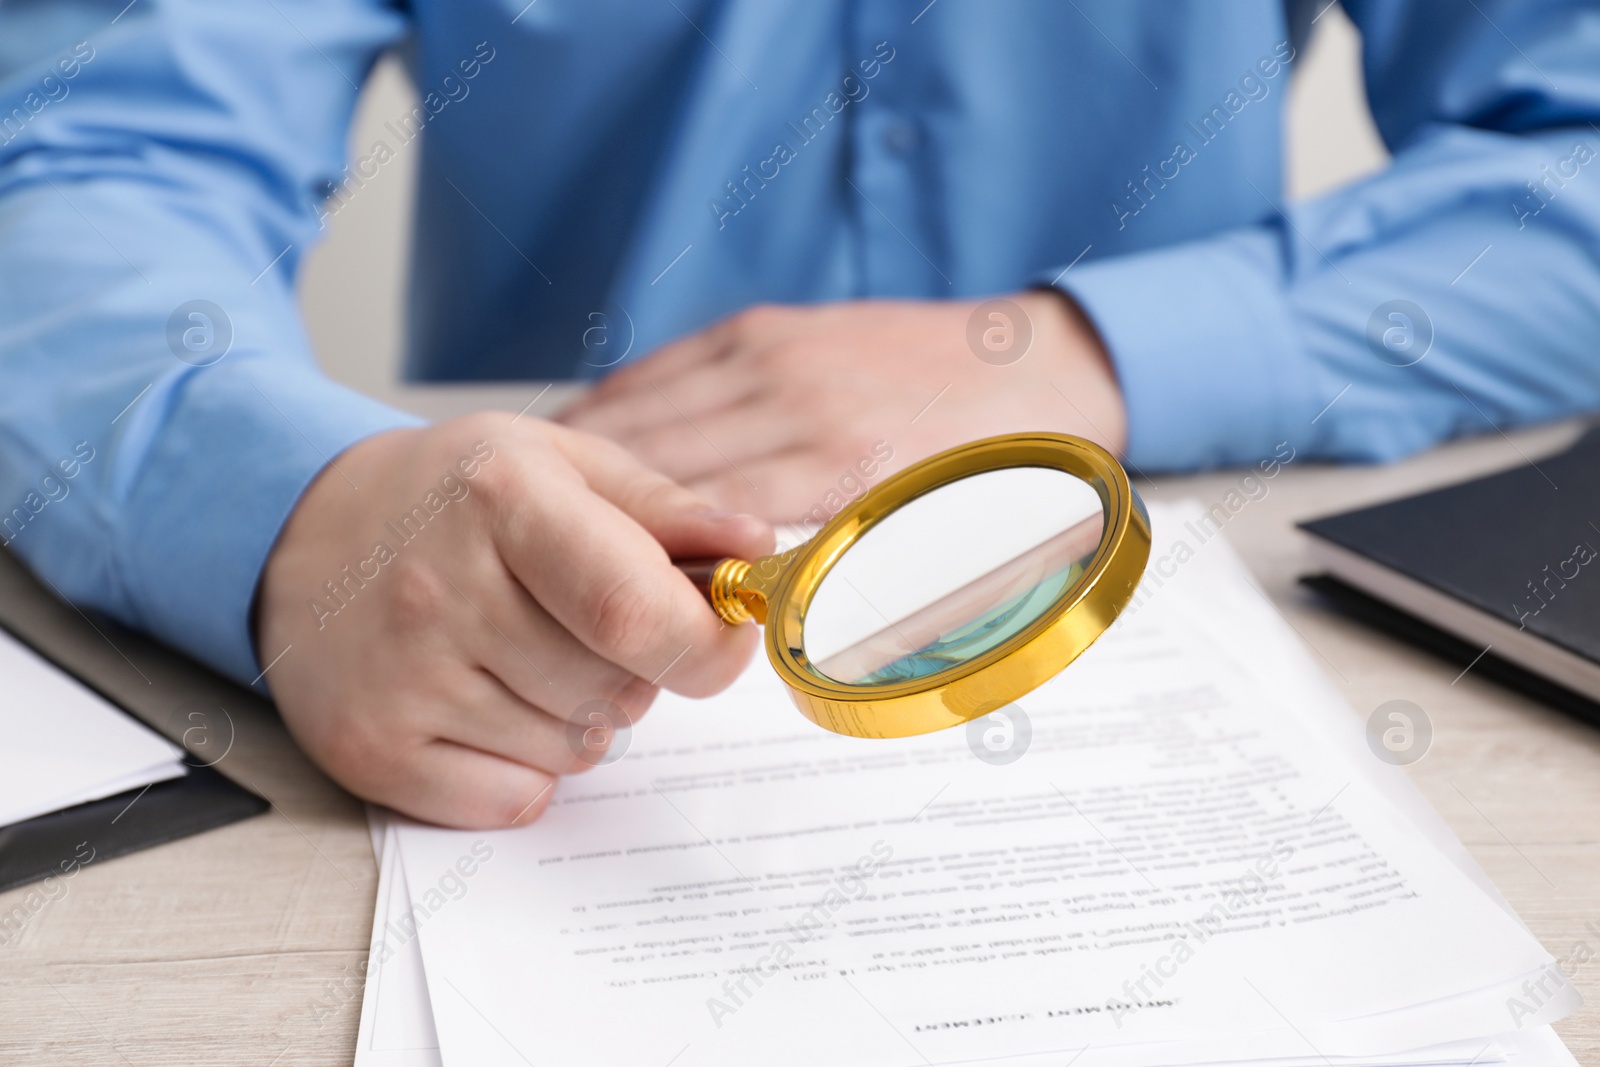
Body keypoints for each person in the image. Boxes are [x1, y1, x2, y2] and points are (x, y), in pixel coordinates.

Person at [1, 1, 1596, 827]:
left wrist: (1079, 352)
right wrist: (299, 510)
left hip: (1212, 586)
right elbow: (80, 157)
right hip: (499, 641)